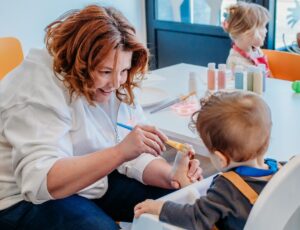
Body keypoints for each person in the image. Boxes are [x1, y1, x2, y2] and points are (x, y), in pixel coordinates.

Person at [0, 5, 202, 230]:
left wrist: (172, 175)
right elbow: (40, 183)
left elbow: (132, 153)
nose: (116, 83)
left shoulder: (116, 80)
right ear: (79, 64)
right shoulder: (36, 87)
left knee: (179, 200)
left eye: (124, 70)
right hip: (23, 197)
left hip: (91, 180)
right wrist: (119, 152)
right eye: (105, 72)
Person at [134, 91, 282, 230]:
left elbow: (195, 217)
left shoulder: (226, 188)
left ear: (220, 159)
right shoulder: (283, 170)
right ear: (267, 140)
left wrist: (159, 207)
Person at [223, 2, 271, 74]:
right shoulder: (235, 64)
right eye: (262, 27)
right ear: (246, 32)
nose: (266, 30)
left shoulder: (255, 49)